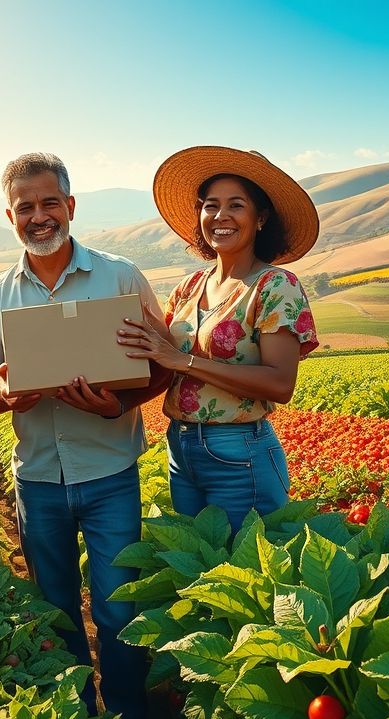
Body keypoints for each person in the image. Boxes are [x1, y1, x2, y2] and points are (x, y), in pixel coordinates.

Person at [0, 152, 169, 719]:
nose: (39, 215)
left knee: (118, 609)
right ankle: (78, 708)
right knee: (56, 608)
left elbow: (162, 360)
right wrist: (2, 395)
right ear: (10, 216)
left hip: (111, 472)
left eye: (49, 203)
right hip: (37, 478)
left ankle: (129, 707)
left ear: (71, 206)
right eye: (26, 206)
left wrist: (119, 405)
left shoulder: (120, 275)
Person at [118, 146, 320, 530]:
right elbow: (153, 354)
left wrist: (184, 361)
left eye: (236, 206)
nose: (220, 216)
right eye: (211, 205)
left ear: (260, 219)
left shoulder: (275, 286)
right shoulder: (189, 286)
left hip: (239, 449)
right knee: (202, 568)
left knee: (250, 571)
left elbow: (280, 383)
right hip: (181, 448)